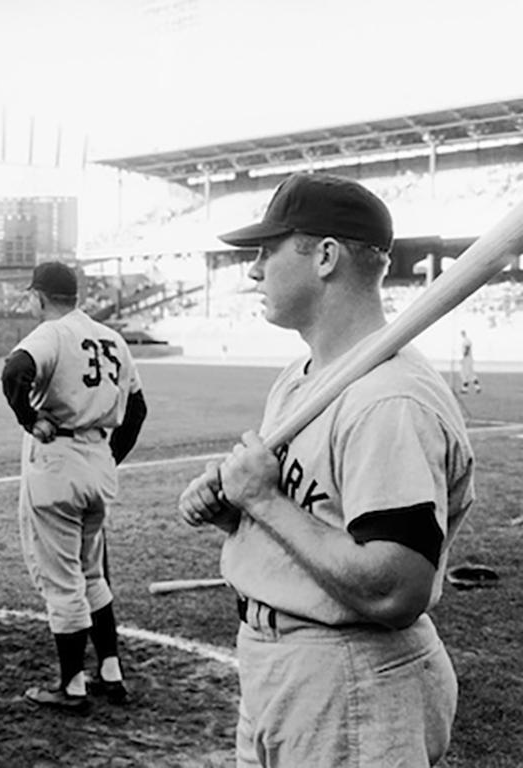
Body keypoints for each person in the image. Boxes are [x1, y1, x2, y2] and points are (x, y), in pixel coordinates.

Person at [177, 173, 474, 767]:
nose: (254, 270)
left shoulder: (390, 400)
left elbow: (395, 588)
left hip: (351, 679)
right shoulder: (302, 377)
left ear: (326, 257)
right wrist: (237, 514)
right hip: (283, 668)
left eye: (267, 250)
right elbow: (313, 520)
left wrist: (265, 501)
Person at [0, 261, 148, 711]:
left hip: (58, 465)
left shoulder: (52, 332)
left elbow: (14, 372)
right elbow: (138, 410)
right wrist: (105, 459)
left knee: (62, 580)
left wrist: (30, 419)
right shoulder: (113, 339)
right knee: (91, 573)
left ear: (41, 297)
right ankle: (110, 670)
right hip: (98, 465)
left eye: (31, 296)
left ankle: (71, 686)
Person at [459, 329, 481, 393]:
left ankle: (466, 389)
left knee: (467, 374)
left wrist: (464, 357)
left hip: (467, 360)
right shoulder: (466, 341)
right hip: (468, 359)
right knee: (468, 374)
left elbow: (467, 349)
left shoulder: (466, 341)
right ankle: (471, 388)